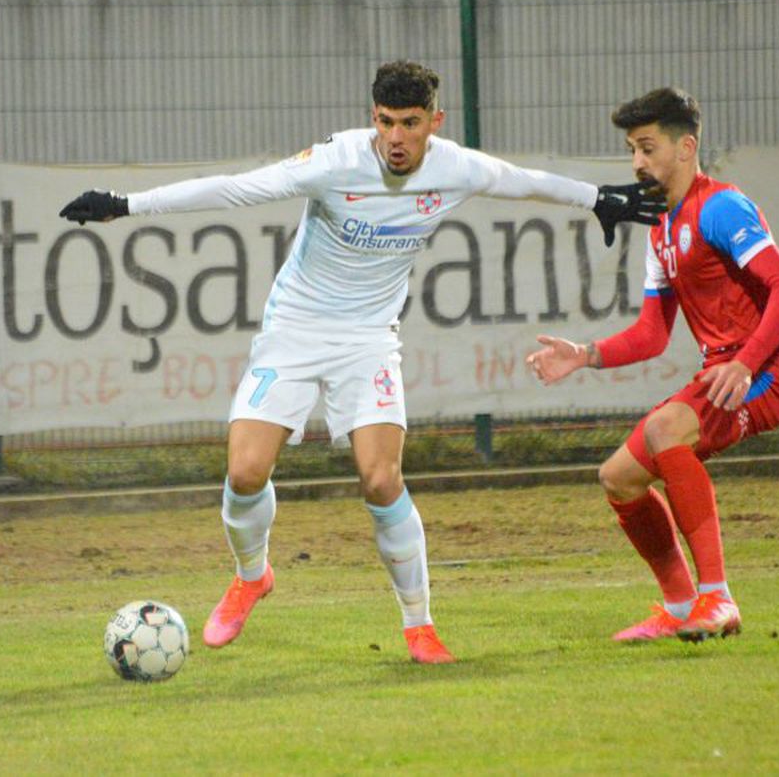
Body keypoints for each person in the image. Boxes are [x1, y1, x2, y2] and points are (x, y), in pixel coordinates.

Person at [59, 61, 665, 664]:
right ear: (369, 116)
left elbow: (524, 179)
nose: (395, 138)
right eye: (384, 122)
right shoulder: (337, 160)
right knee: (245, 472)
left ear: (435, 121)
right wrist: (126, 205)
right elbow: (237, 188)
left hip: (369, 338)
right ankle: (252, 576)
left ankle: (419, 626)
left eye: (409, 123)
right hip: (293, 330)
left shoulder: (455, 167)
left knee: (382, 480)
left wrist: (597, 199)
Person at [526, 87, 779, 643]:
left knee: (664, 428)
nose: (637, 162)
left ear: (686, 148)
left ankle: (718, 599)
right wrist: (583, 356)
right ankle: (681, 605)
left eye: (647, 147)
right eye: (633, 149)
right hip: (722, 376)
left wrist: (748, 363)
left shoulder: (721, 207)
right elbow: (652, 335)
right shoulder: (660, 228)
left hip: (766, 374)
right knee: (620, 479)